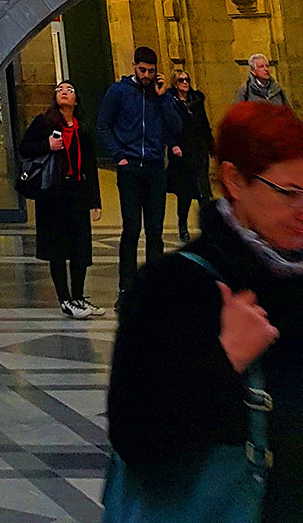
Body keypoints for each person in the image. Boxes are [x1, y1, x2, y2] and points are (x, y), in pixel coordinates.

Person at [107, 101, 303, 514]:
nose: (302, 210)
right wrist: (223, 359)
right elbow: (138, 439)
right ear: (234, 180)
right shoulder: (175, 286)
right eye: (290, 193)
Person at [96, 45, 183, 296]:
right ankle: (126, 286)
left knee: (155, 230)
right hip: (130, 167)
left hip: (155, 167)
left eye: (151, 71)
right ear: (134, 66)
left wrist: (164, 96)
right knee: (132, 228)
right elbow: (104, 125)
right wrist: (118, 156)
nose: (146, 75)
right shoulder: (119, 91)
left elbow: (176, 127)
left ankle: (154, 286)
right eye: (142, 70)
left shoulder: (160, 94)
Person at [18, 80, 102, 317]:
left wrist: (94, 200)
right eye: (60, 90)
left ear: (76, 99)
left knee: (79, 247)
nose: (64, 93)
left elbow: (90, 164)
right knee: (57, 247)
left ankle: (78, 296)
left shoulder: (81, 128)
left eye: (69, 90)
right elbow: (25, 148)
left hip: (76, 191)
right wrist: (48, 145)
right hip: (53, 192)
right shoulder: (44, 122)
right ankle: (65, 299)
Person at [167, 68, 216, 243]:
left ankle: (209, 229)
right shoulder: (170, 102)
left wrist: (211, 146)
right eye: (181, 80)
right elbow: (168, 126)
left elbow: (204, 124)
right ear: (175, 83)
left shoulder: (197, 100)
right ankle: (182, 226)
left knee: (204, 193)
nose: (185, 83)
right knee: (185, 194)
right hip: (182, 155)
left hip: (199, 151)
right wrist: (173, 145)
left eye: (187, 79)